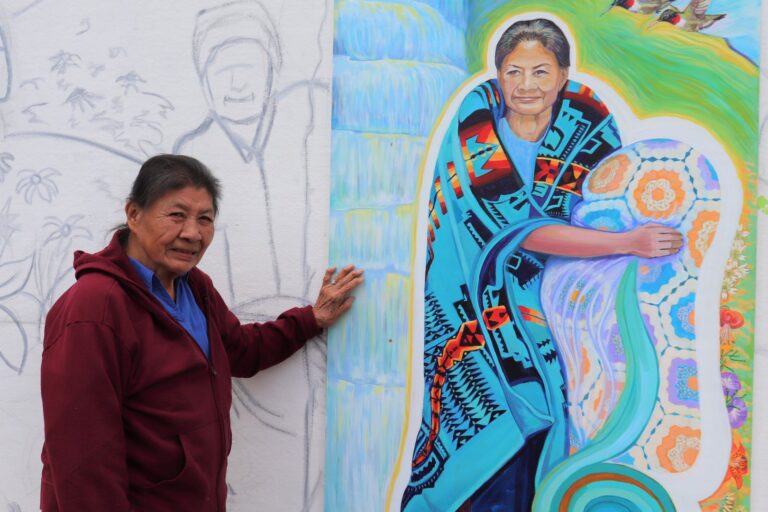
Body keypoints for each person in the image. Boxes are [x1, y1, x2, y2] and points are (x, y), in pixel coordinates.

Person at [401, 18, 681, 511]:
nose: (526, 86)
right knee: (487, 450)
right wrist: (626, 241)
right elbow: (527, 234)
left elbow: (612, 202)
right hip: (474, 327)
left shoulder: (588, 132)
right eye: (513, 72)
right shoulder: (475, 137)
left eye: (540, 71)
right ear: (498, 75)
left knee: (546, 458)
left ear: (563, 75)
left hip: (561, 325)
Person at [39, 154, 363, 511]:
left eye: (205, 219)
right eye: (176, 215)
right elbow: (83, 459)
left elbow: (240, 350)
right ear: (134, 214)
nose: (192, 233)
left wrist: (311, 319)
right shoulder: (95, 308)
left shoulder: (194, 287)